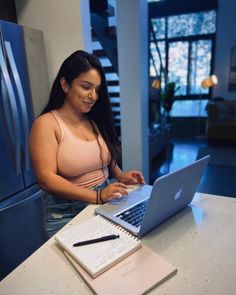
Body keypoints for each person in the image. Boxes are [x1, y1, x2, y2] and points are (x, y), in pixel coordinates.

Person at [29, 50, 145, 237]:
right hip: (67, 212)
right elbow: (46, 179)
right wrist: (97, 196)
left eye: (97, 90)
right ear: (65, 84)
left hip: (105, 200)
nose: (93, 96)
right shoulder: (46, 125)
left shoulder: (93, 120)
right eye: (86, 87)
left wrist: (120, 175)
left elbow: (104, 159)